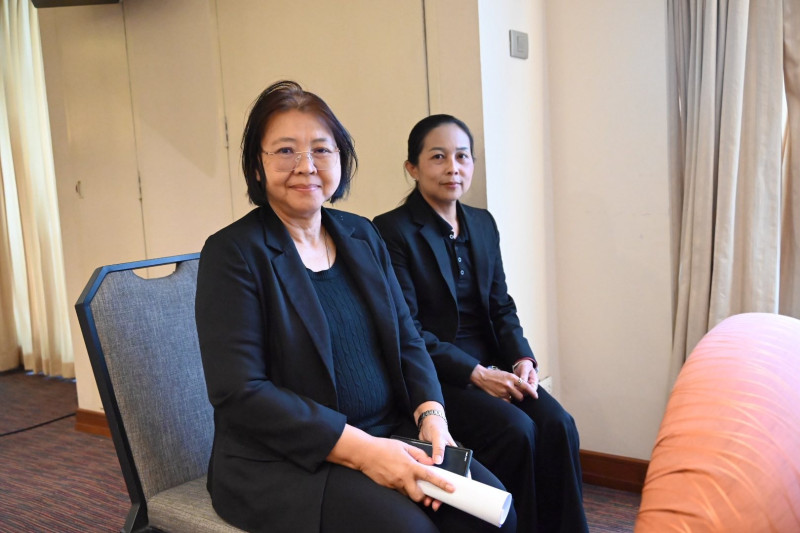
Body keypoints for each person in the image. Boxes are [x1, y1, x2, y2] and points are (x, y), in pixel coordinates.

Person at [194, 82, 516, 533]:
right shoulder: (233, 253)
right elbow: (241, 393)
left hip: (389, 433)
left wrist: (432, 417)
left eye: (321, 150)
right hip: (289, 459)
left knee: (494, 515)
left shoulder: (361, 235)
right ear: (256, 166)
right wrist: (365, 453)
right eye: (285, 151)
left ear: (340, 159)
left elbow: (407, 339)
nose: (306, 166)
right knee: (411, 531)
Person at [373, 114, 588, 533]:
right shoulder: (392, 230)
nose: (453, 167)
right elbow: (407, 329)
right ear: (412, 167)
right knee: (517, 431)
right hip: (439, 376)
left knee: (559, 424)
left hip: (494, 366)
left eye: (462, 156)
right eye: (438, 157)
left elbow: (501, 306)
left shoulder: (483, 223)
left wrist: (522, 359)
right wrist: (476, 374)